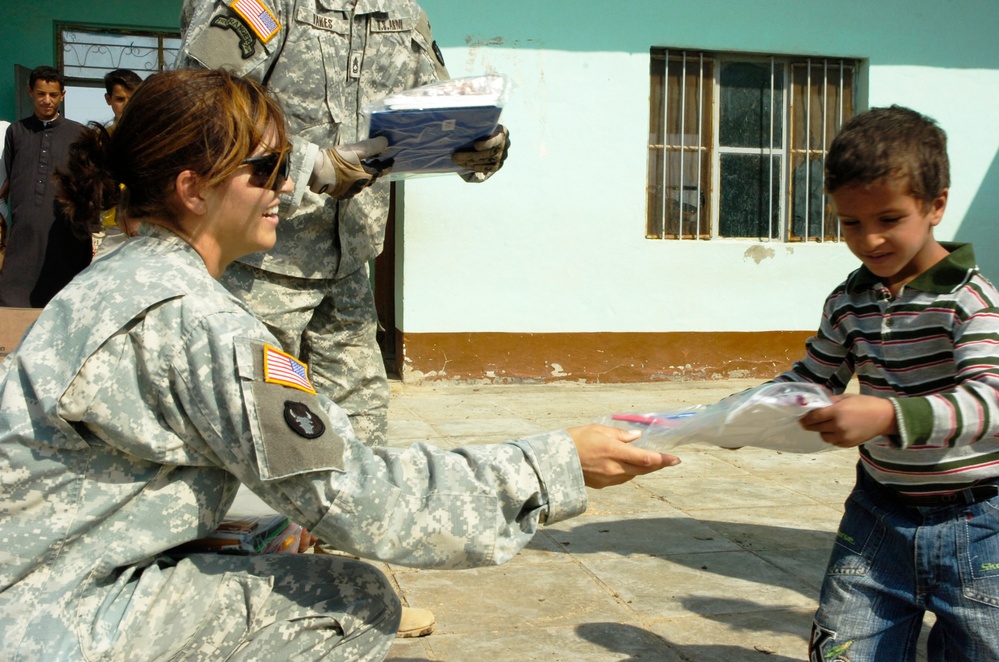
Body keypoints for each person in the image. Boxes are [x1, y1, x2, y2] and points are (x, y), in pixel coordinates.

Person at [0, 68, 677, 660]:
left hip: (33, 572)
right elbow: (357, 492)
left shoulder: (118, 274)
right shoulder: (204, 324)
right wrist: (554, 463)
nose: (286, 185)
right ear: (193, 190)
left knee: (265, 526)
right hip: (47, 619)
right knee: (348, 596)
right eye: (266, 170)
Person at [177, 0, 510, 450]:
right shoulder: (265, 4)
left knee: (359, 436)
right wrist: (310, 164)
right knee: (238, 427)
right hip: (254, 265)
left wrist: (477, 144)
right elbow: (194, 106)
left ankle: (332, 521)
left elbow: (438, 111)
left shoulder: (403, 13)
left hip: (350, 266)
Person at [762, 106, 999, 661]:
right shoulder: (849, 302)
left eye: (889, 219)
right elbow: (812, 378)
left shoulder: (972, 303)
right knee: (844, 650)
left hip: (981, 522)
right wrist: (724, 417)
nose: (870, 241)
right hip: (877, 519)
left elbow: (991, 400)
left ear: (935, 205)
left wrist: (888, 415)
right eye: (850, 223)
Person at [0, 66, 89, 307]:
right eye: (40, 94)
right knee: (13, 299)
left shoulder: (79, 133)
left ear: (63, 94)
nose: (47, 101)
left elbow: (87, 183)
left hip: (64, 230)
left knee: (64, 297)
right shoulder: (16, 132)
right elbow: (9, 177)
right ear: (30, 92)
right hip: (24, 231)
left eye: (52, 94)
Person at [95, 68, 143, 254]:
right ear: (108, 100)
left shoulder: (154, 136)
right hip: (113, 226)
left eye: (133, 98)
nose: (127, 105)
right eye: (120, 99)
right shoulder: (102, 139)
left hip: (147, 225)